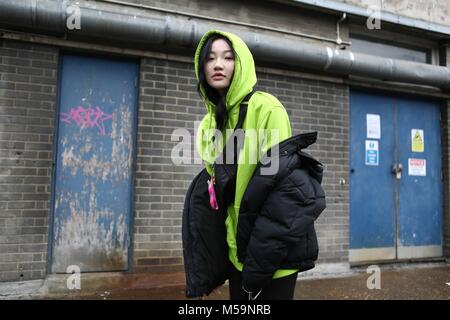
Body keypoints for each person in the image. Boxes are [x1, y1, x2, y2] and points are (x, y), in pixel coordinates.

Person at [182, 29, 326, 300]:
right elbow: (217, 198)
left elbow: (284, 194)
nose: (218, 64)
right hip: (238, 255)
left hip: (273, 257)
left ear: (242, 63)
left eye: (227, 57)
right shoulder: (207, 126)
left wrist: (259, 266)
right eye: (210, 58)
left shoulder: (266, 109)